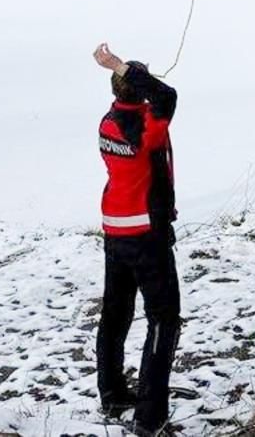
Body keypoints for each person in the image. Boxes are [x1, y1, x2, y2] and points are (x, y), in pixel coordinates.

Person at [92, 43, 181, 436]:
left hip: (115, 229)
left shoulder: (107, 122)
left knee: (116, 315)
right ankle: (149, 416)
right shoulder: (148, 126)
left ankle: (112, 394)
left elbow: (153, 98)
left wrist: (121, 73)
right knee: (163, 320)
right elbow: (167, 96)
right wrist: (119, 65)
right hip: (146, 233)